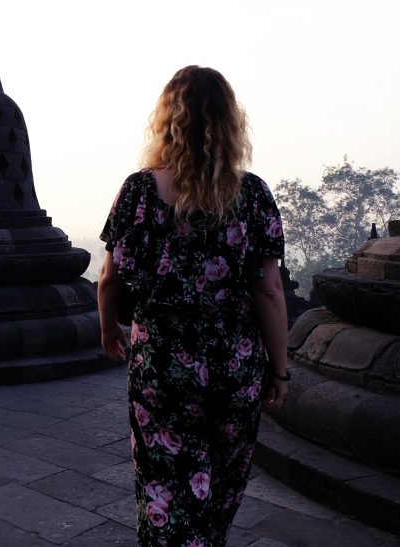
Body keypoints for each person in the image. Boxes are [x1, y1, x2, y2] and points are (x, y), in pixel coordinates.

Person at [97, 65, 289, 547]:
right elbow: (269, 291)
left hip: (161, 362)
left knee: (164, 486)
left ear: (167, 120)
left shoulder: (140, 190)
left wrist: (108, 332)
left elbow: (108, 278)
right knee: (221, 487)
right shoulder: (254, 196)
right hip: (235, 363)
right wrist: (279, 369)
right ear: (230, 123)